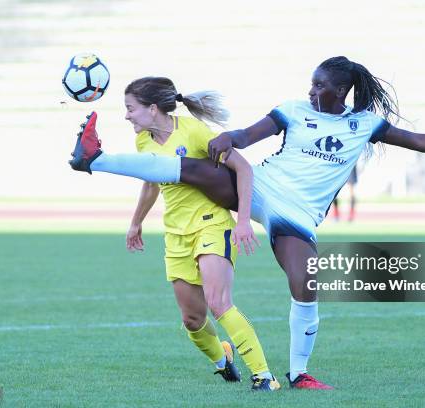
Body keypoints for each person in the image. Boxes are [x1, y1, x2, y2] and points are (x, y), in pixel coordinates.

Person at [69, 57, 425, 390]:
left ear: (342, 91)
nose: (312, 89)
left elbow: (418, 141)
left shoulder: (366, 123)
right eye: (312, 82)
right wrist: (230, 138)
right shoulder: (293, 109)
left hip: (298, 215)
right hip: (262, 188)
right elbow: (250, 135)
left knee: (305, 282)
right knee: (196, 169)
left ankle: (299, 373)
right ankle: (95, 159)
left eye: (320, 85)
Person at [72, 77, 280, 391]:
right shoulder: (143, 141)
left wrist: (243, 221)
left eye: (131, 109)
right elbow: (151, 181)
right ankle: (222, 360)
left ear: (152, 108)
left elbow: (244, 168)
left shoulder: (193, 131)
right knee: (192, 320)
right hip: (176, 233)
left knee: (218, 302)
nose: (127, 116)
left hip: (212, 224)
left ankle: (264, 376)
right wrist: (136, 221)